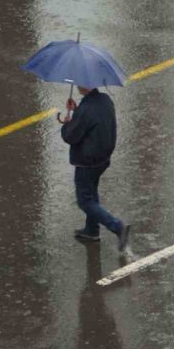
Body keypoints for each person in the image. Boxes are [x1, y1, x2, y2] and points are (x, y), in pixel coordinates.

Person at [61, 86, 131, 253]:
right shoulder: (105, 100)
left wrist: (68, 121)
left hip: (86, 161)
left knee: (85, 200)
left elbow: (70, 136)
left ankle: (118, 227)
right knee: (91, 192)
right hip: (102, 159)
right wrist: (76, 110)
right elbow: (93, 121)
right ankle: (92, 230)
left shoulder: (85, 109)